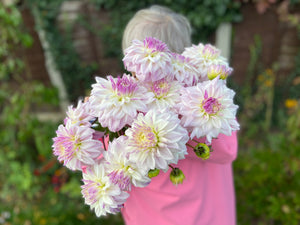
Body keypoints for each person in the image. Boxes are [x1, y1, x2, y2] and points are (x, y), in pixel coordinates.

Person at [121, 5, 238, 225]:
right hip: (210, 216)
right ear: (183, 49)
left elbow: (100, 160)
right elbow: (228, 147)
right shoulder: (211, 99)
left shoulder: (121, 108)